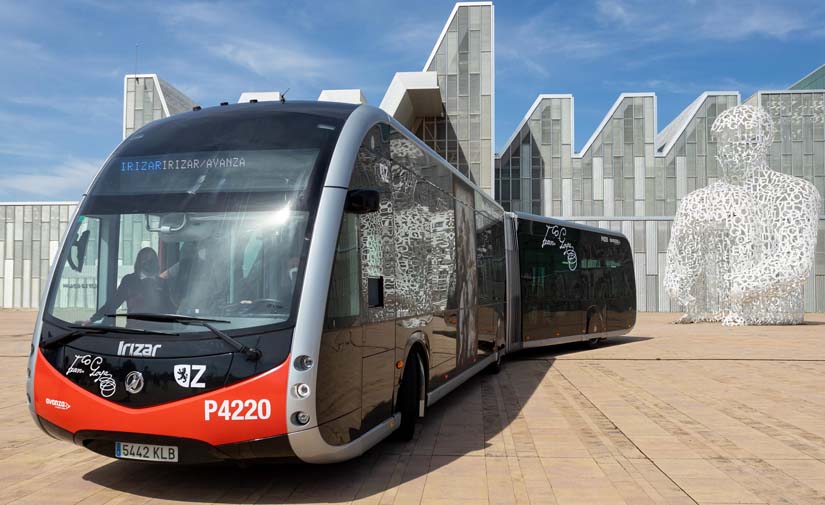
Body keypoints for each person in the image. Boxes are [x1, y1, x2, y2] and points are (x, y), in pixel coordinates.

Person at [88, 247, 175, 324]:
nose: (147, 262)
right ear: (139, 262)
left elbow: (170, 309)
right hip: (133, 332)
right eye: (144, 259)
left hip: (158, 333)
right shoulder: (129, 281)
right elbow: (113, 303)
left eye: (151, 260)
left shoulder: (162, 283)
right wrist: (93, 319)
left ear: (155, 263)